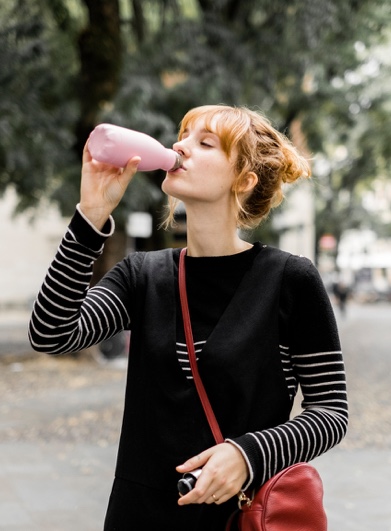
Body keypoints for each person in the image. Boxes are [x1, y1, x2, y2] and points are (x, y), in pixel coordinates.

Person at [29, 104, 348, 530]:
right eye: (183, 136)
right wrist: (91, 217)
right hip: (138, 516)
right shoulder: (143, 276)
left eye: (205, 142)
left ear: (244, 179)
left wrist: (248, 454)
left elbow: (331, 412)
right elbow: (51, 333)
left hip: (239, 516)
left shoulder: (290, 280)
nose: (180, 146)